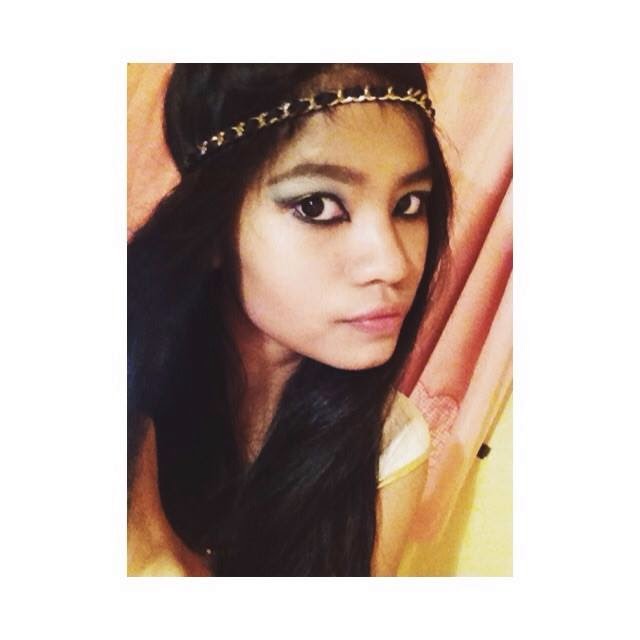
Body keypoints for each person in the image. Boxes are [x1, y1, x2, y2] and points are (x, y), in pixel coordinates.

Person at [127, 63, 452, 576]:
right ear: (214, 226)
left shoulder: (388, 446)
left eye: (409, 204)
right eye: (317, 206)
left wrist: (150, 556)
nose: (393, 264)